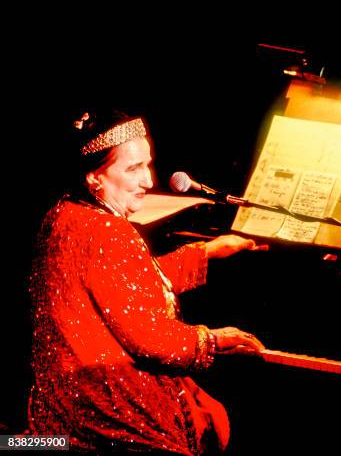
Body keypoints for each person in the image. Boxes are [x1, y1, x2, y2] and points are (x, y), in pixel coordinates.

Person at [28, 108, 265, 454]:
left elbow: (123, 284)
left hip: (57, 413)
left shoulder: (66, 214)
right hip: (106, 420)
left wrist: (206, 253)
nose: (149, 181)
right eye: (133, 168)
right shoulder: (110, 231)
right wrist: (212, 340)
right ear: (95, 177)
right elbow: (151, 339)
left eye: (147, 164)